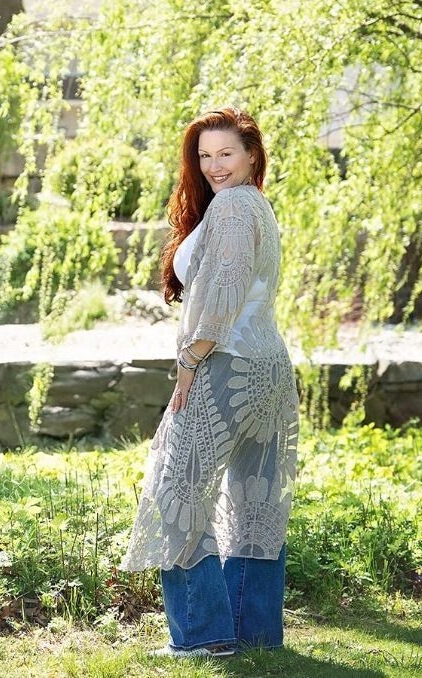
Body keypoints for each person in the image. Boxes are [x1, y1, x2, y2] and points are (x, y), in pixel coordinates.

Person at [120, 107, 299, 658]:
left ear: (252, 156)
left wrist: (188, 364)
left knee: (177, 491)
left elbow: (223, 289)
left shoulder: (232, 205)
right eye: (205, 156)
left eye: (227, 153)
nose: (215, 165)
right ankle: (256, 636)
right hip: (269, 370)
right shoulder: (257, 207)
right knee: (254, 502)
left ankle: (203, 636)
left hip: (227, 366)